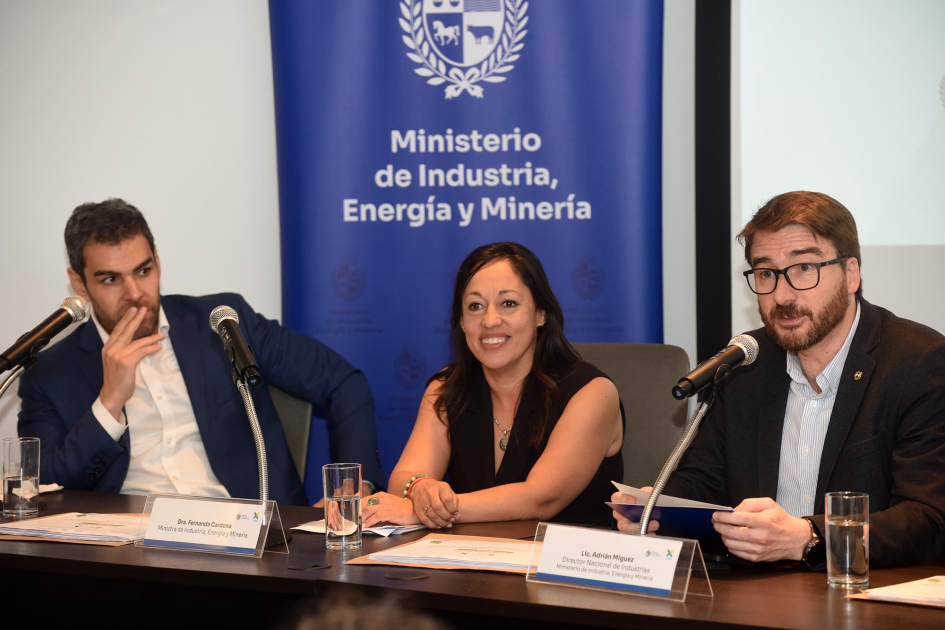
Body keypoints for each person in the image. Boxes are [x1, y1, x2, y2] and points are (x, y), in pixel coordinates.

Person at [612, 191, 945, 568]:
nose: (782, 295)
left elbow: (930, 519)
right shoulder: (745, 363)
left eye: (804, 268)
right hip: (755, 595)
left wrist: (810, 537)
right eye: (766, 273)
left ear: (851, 274)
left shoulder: (919, 363)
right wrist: (658, 508)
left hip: (864, 597)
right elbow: (702, 480)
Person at [17, 198, 383, 505]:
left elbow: (342, 383)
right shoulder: (49, 373)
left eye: (143, 271)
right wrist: (109, 404)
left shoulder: (223, 322)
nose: (134, 293)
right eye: (111, 279)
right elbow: (44, 487)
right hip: (132, 556)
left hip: (250, 537)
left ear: (158, 261)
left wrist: (354, 488)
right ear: (79, 283)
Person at [362, 242, 624, 529]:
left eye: (508, 303)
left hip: (568, 566)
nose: (489, 320)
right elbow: (404, 475)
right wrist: (420, 487)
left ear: (541, 313)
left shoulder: (592, 393)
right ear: (461, 323)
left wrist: (424, 511)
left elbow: (540, 499)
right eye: (475, 306)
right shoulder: (447, 388)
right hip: (472, 563)